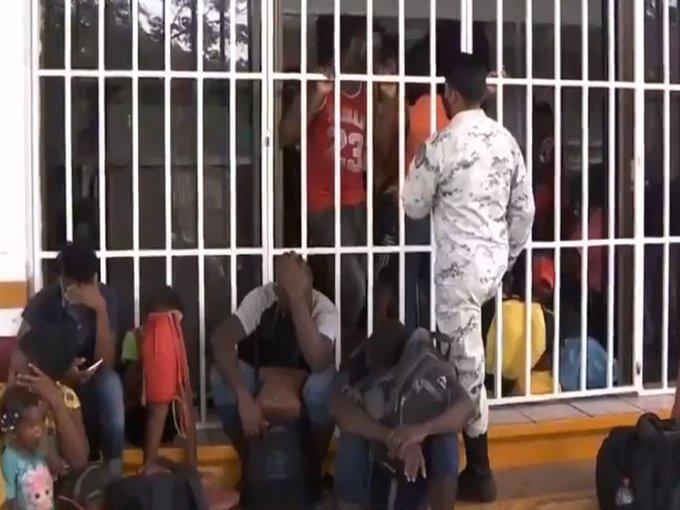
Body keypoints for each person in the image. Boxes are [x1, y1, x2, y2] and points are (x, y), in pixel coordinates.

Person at [402, 53, 535, 502]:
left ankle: (480, 472)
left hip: (456, 278)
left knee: (465, 371)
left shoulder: (440, 145)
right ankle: (470, 467)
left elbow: (412, 205)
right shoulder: (507, 142)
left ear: (452, 95)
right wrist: (507, 256)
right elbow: (525, 210)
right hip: (492, 272)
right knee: (471, 364)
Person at [210, 253, 338, 500]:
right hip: (264, 380)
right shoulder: (263, 297)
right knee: (220, 377)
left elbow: (318, 361)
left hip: (304, 383)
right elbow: (221, 340)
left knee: (323, 384)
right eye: (283, 284)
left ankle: (314, 467)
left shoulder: (324, 308)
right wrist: (244, 399)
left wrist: (296, 297)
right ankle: (249, 462)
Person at [279, 17, 368, 347]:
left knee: (360, 283)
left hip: (356, 201)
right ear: (350, 46)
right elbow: (285, 135)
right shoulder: (319, 85)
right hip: (323, 201)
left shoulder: (366, 89)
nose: (369, 51)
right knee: (354, 286)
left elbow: (380, 146)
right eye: (364, 43)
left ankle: (337, 347)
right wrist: (315, 96)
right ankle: (331, 349)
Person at [331, 321, 473, 510]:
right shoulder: (362, 370)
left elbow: (466, 407)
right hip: (379, 465)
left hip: (419, 468)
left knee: (446, 439)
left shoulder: (427, 367)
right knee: (351, 435)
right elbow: (338, 408)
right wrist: (392, 437)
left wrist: (422, 431)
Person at [19, 242, 124, 477]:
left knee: (112, 384)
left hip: (94, 376)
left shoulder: (106, 297)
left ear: (94, 279)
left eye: (84, 284)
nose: (79, 290)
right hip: (57, 378)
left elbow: (107, 363)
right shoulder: (46, 301)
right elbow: (24, 348)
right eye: (73, 284)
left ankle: (114, 469)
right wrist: (62, 372)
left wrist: (100, 310)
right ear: (63, 280)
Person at [120, 286, 197, 471]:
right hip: (138, 418)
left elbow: (184, 384)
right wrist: (145, 355)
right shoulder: (134, 337)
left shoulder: (177, 341)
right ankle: (149, 465)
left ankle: (192, 466)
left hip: (170, 423)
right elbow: (129, 383)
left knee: (184, 397)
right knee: (159, 399)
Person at [1, 387, 54, 510]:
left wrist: (47, 450)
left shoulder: (39, 451)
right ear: (14, 431)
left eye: (41, 422)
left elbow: (56, 468)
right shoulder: (9, 459)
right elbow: (9, 501)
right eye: (31, 426)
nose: (38, 431)